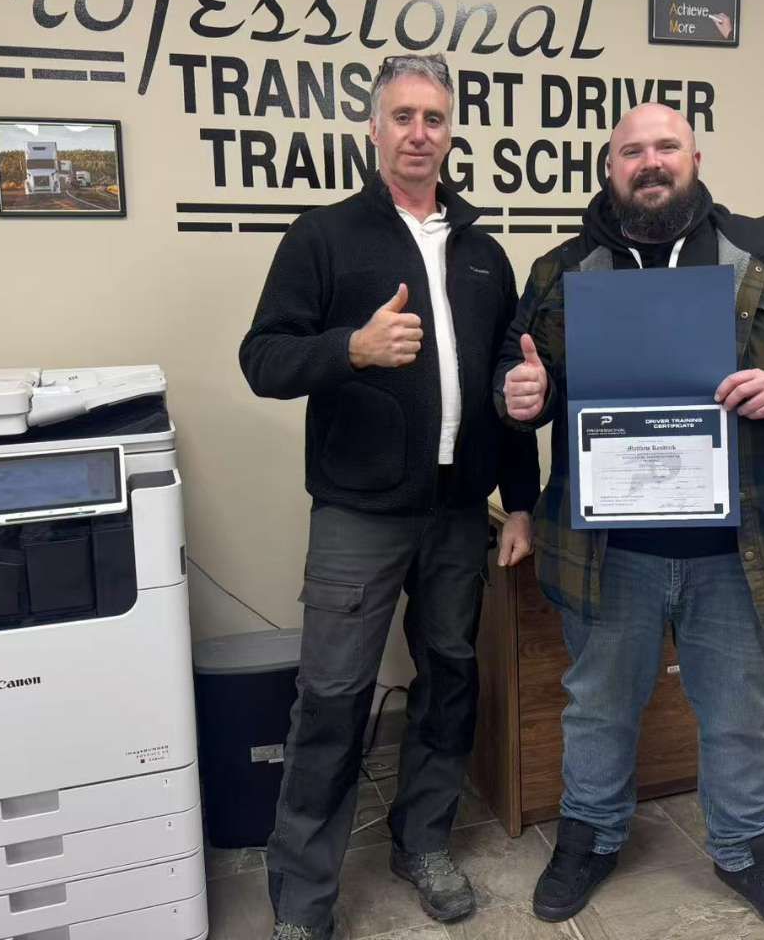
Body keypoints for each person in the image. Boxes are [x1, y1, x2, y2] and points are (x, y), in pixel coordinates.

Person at [496, 103, 764, 940]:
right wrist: (518, 396)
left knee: (742, 710)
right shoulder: (563, 270)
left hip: (735, 549)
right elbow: (520, 377)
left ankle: (745, 847)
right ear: (609, 166)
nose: (650, 162)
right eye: (632, 151)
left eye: (666, 146)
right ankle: (590, 836)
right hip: (608, 549)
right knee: (596, 705)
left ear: (695, 156)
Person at [242, 53, 539, 940]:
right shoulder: (323, 237)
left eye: (435, 118)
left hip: (458, 515)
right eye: (403, 116)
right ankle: (302, 893)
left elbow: (509, 386)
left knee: (450, 677)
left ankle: (423, 841)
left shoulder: (486, 255)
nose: (420, 133)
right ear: (373, 130)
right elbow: (263, 360)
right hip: (357, 515)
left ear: (452, 133)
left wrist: (518, 501)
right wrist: (351, 350)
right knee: (333, 695)